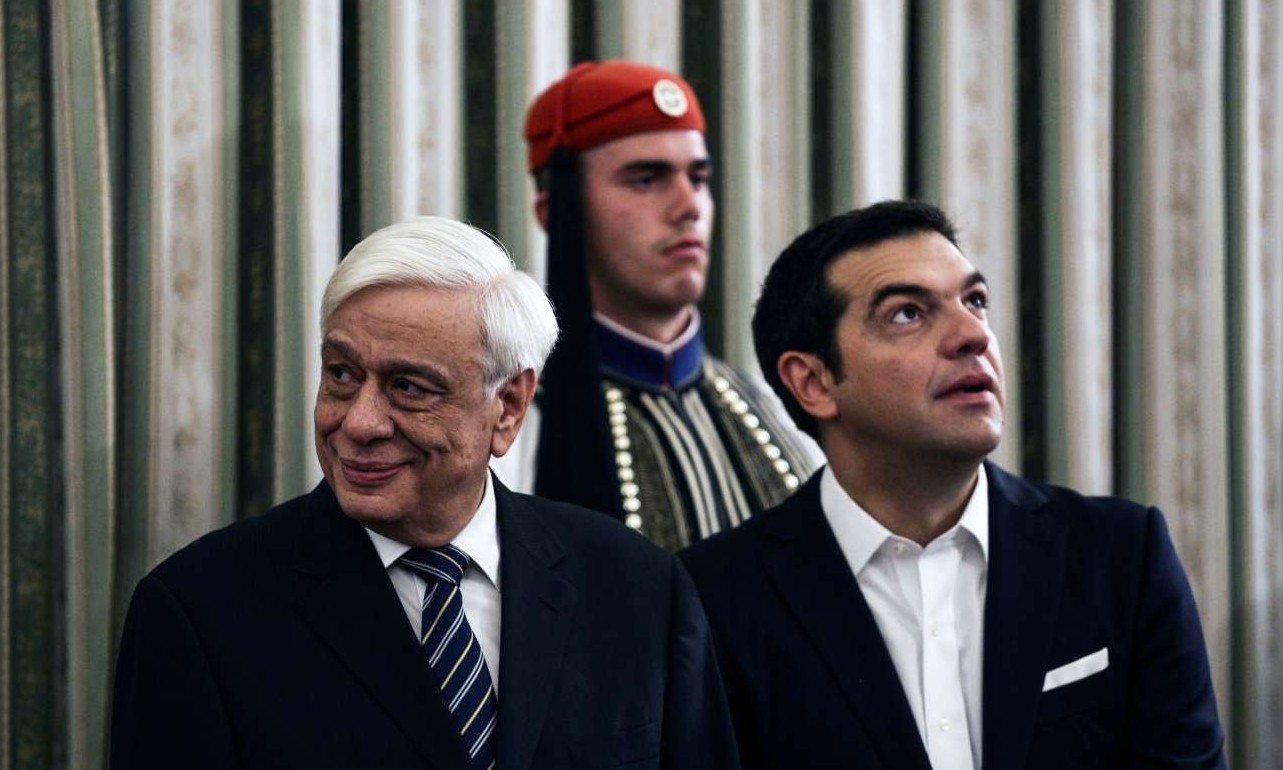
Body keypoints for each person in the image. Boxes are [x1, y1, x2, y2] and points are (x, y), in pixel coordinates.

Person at [110, 217, 738, 769]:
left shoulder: (639, 589)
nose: (359, 423)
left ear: (508, 406)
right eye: (341, 374)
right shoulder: (198, 612)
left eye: (409, 387)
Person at [680, 200, 1226, 769]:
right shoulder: (716, 598)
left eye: (975, 301)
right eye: (907, 314)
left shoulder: (1122, 557)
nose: (972, 335)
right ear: (814, 382)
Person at [492, 59, 819, 551]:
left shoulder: (780, 413)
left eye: (699, 178)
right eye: (646, 179)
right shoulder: (511, 433)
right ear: (557, 211)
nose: (689, 207)